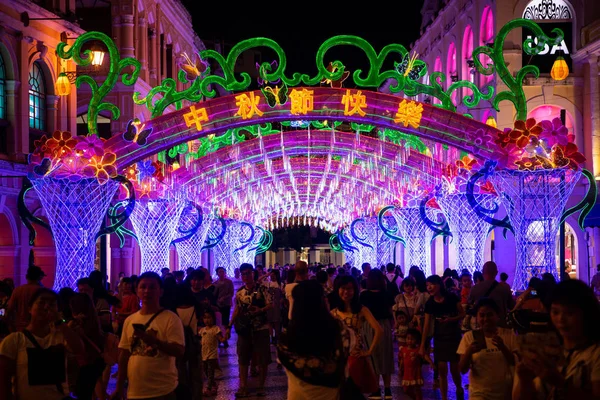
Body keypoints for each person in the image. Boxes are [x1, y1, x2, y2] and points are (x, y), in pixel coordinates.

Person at [514, 279, 600, 399]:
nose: (561, 319)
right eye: (555, 312)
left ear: (586, 313)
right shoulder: (547, 351)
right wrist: (525, 379)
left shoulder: (595, 354)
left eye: (569, 313)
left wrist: (559, 382)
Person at [0, 288, 84, 400]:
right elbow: (3, 380)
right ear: (29, 308)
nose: (46, 307)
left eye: (52, 304)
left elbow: (79, 349)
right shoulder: (14, 341)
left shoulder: (61, 336)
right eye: (41, 302)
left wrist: (60, 323)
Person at [111, 272, 185, 400]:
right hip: (135, 391)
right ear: (137, 290)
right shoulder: (130, 320)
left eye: (152, 287)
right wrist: (119, 386)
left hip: (163, 391)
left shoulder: (171, 319)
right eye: (143, 287)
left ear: (160, 291)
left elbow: (179, 351)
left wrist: (155, 342)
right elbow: (124, 355)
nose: (147, 291)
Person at [278, 280, 351, 400]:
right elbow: (343, 356)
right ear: (322, 301)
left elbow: (284, 360)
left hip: (297, 394)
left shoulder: (288, 336)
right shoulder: (337, 329)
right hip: (329, 393)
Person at [225, 263, 273, 398]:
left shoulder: (263, 289)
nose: (246, 276)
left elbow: (271, 304)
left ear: (253, 273)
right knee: (243, 358)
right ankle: (243, 386)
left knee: (263, 359)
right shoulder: (240, 292)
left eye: (248, 273)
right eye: (244, 273)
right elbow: (237, 310)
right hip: (245, 329)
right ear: (241, 275)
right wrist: (229, 326)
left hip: (261, 328)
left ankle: (261, 386)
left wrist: (260, 310)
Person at [331, 275, 382, 395]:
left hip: (356, 357)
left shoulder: (361, 310)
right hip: (339, 359)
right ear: (337, 289)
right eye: (343, 288)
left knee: (353, 392)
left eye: (350, 289)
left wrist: (369, 351)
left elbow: (379, 330)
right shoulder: (333, 312)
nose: (346, 292)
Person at [458, 298, 517, 400]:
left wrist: (503, 347)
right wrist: (469, 352)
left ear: (497, 315)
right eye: (482, 315)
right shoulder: (469, 337)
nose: (486, 319)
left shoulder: (509, 335)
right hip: (479, 393)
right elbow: (462, 369)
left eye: (489, 315)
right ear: (476, 317)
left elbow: (515, 363)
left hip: (505, 393)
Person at [420, 275, 465, 400]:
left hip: (453, 336)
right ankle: (444, 397)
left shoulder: (451, 297)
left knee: (455, 368)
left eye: (431, 284)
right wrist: (423, 345)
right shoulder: (429, 303)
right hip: (439, 337)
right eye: (427, 285)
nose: (429, 288)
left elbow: (462, 313)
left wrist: (451, 319)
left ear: (439, 284)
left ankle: (459, 387)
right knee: (442, 369)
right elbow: (427, 325)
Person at [359, 269, 395, 399]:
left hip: (369, 326)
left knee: (372, 356)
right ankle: (388, 388)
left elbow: (361, 314)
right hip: (384, 325)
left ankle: (375, 388)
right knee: (386, 356)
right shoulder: (387, 294)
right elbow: (391, 312)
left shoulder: (364, 295)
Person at [468, 261, 515, 328]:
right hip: (500, 325)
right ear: (496, 272)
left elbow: (470, 304)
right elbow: (511, 306)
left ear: (483, 273)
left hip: (481, 326)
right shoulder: (505, 288)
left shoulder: (475, 288)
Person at [6, 265, 45, 332]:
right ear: (40, 277)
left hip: (20, 327)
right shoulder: (42, 291)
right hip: (38, 327)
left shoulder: (17, 290)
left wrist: (10, 326)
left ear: (27, 277)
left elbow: (10, 309)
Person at [399, 329, 432, 400]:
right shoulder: (403, 349)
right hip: (407, 373)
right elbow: (402, 360)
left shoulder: (417, 349)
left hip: (415, 372)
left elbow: (424, 355)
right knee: (406, 389)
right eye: (408, 338)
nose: (410, 341)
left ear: (416, 340)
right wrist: (401, 369)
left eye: (412, 339)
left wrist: (430, 362)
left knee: (417, 389)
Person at [199, 310, 224, 396]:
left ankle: (208, 388)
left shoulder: (215, 329)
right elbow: (200, 341)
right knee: (205, 370)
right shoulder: (202, 330)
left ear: (213, 318)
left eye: (209, 317)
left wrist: (225, 337)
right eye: (205, 318)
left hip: (212, 354)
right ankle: (214, 384)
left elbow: (221, 339)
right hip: (204, 354)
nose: (206, 320)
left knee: (210, 371)